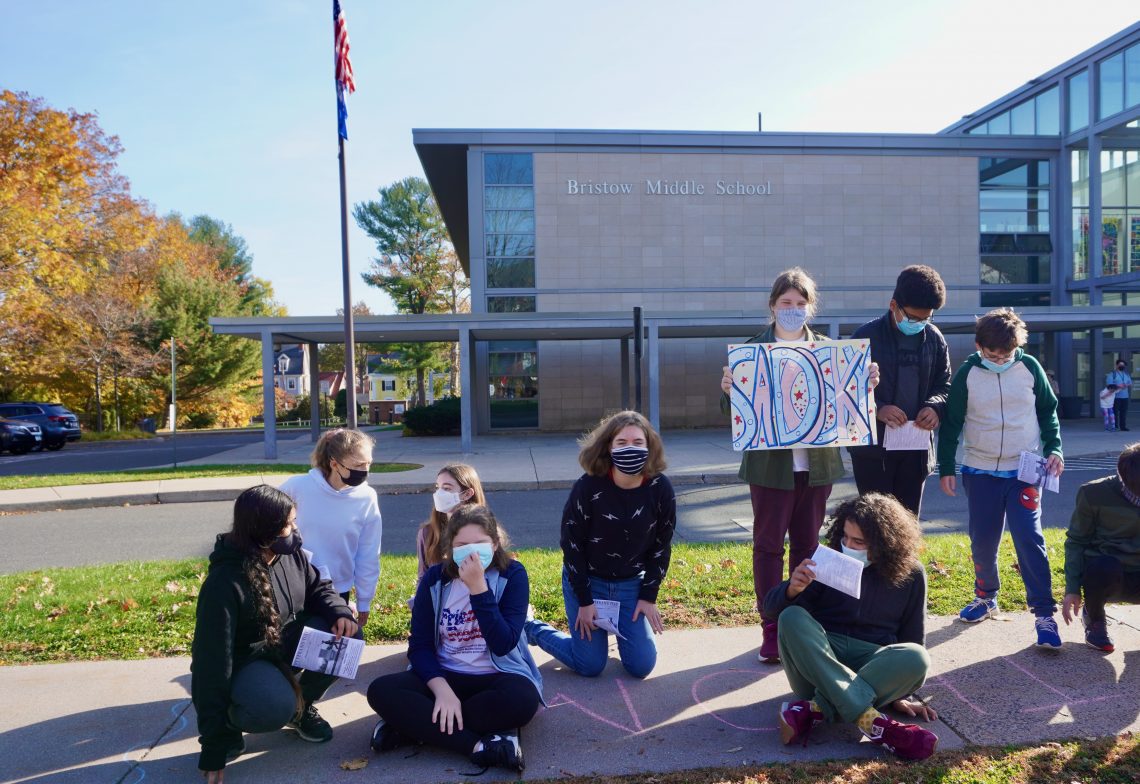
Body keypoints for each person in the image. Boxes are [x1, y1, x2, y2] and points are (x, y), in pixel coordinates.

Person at [719, 267, 879, 663]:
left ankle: (801, 623)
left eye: (800, 303)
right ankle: (771, 626)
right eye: (785, 302)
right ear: (772, 306)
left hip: (816, 467)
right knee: (768, 547)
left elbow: (848, 404)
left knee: (809, 547)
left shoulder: (831, 352)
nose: (792, 309)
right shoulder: (750, 352)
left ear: (810, 308)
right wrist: (728, 391)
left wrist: (864, 383)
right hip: (770, 470)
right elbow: (736, 413)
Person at [191, 485, 361, 782]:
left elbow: (319, 588)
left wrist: (340, 612)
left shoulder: (289, 554)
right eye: (288, 525)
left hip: (286, 642)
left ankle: (302, 708)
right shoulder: (224, 583)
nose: (296, 530)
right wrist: (214, 743)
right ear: (263, 531)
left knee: (347, 639)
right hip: (249, 661)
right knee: (273, 706)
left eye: (294, 521)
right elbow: (211, 666)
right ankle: (233, 725)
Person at [366, 505, 542, 774]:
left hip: (496, 674)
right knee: (381, 690)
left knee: (523, 700)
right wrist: (442, 691)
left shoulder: (513, 575)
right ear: (449, 549)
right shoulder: (435, 580)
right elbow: (420, 646)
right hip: (445, 674)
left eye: (480, 543)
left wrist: (479, 590)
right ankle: (479, 744)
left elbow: (503, 642)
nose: (471, 552)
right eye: (462, 545)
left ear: (495, 544)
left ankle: (415, 728)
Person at [764, 493, 938, 761]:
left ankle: (817, 708)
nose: (848, 545)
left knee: (917, 657)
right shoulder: (828, 559)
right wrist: (792, 589)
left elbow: (913, 637)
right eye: (844, 537)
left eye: (858, 541)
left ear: (885, 543)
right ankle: (872, 721)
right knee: (792, 617)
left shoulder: (912, 574)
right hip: (819, 662)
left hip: (873, 665)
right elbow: (771, 610)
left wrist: (901, 693)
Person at [937, 308, 1065, 648]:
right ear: (979, 346)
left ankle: (1044, 615)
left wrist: (1056, 448)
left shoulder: (1029, 368)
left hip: (1024, 472)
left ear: (1016, 347)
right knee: (983, 540)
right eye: (990, 354)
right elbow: (952, 425)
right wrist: (946, 467)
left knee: (1029, 537)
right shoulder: (967, 374)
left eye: (1004, 354)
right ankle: (986, 596)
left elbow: (1047, 411)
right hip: (980, 472)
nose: (997, 359)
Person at [524, 410, 677, 678]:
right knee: (590, 665)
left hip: (631, 584)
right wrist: (584, 600)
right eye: (622, 443)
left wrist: (648, 596)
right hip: (588, 581)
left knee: (642, 666)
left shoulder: (660, 488)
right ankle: (530, 628)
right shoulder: (588, 487)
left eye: (638, 443)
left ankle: (613, 631)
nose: (631, 448)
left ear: (649, 446)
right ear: (608, 447)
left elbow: (662, 546)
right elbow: (571, 546)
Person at [848, 265, 951, 518]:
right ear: (893, 305)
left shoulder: (935, 339)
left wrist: (936, 406)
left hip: (915, 450)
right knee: (875, 523)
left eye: (927, 318)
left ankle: (904, 561)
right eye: (914, 318)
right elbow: (845, 392)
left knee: (907, 523)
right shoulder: (864, 337)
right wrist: (879, 409)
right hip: (872, 454)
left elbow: (945, 385)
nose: (920, 324)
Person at [279, 428, 383, 628]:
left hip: (337, 589)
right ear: (334, 463)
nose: (365, 470)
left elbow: (368, 553)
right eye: (358, 465)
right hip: (294, 587)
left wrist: (364, 600)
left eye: (368, 463)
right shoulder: (297, 487)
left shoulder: (367, 497)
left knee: (330, 645)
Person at [1061, 442, 1140, 652]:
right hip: (1110, 573)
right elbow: (1076, 541)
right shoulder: (1093, 494)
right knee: (1101, 566)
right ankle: (1095, 620)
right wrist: (1072, 589)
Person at [418, 464, 487, 579]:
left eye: (447, 488)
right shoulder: (427, 532)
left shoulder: (485, 532)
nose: (439, 494)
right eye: (437, 487)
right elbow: (423, 577)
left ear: (467, 494)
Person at [1107, 358, 1133, 432]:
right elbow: (1109, 385)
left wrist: (1126, 385)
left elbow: (1130, 383)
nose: (1122, 366)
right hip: (1115, 396)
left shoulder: (1126, 374)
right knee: (1115, 412)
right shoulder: (1112, 374)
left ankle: (1123, 426)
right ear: (1117, 365)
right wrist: (1119, 386)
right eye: (1120, 365)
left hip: (1125, 396)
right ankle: (1115, 426)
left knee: (1123, 412)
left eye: (1123, 365)